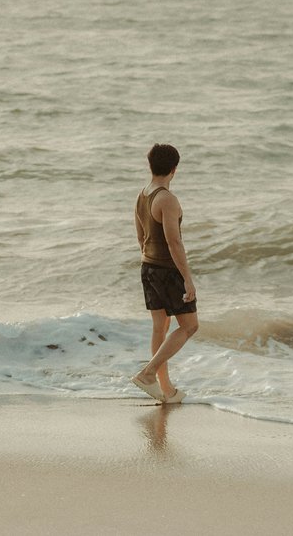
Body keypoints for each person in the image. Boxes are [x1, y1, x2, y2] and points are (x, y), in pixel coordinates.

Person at [131, 143, 198, 404]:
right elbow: (174, 242)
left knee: (161, 327)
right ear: (174, 169)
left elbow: (141, 237)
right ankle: (148, 373)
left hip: (147, 266)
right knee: (190, 326)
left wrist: (150, 264)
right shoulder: (167, 200)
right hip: (167, 270)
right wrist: (187, 279)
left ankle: (165, 389)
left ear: (151, 166)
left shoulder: (142, 196)